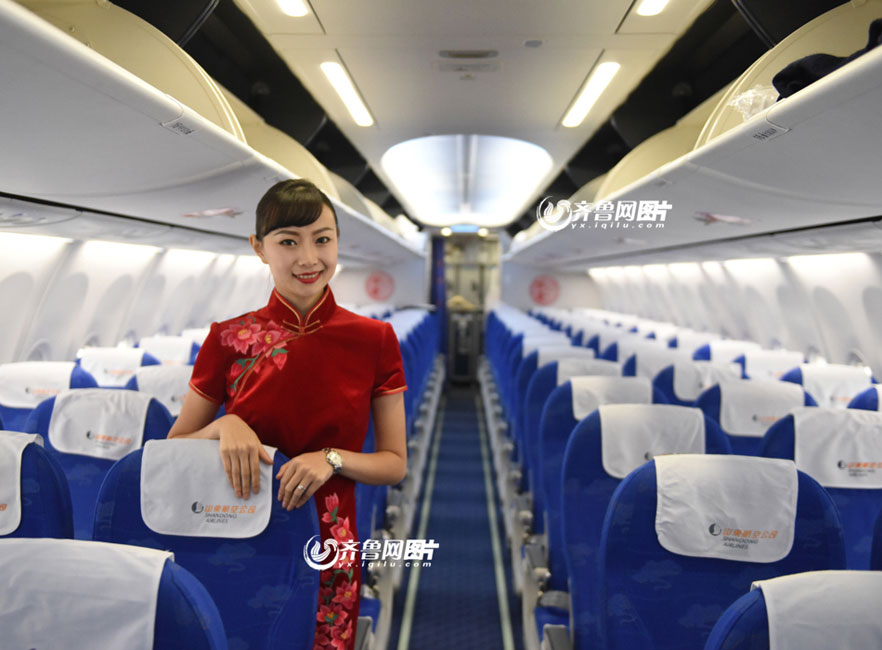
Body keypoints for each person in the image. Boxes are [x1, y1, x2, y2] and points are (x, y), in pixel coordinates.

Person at [168, 178, 408, 650]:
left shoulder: (375, 340)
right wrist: (223, 424)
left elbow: (394, 463)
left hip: (329, 541)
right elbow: (171, 449)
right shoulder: (226, 339)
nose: (308, 259)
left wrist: (333, 458)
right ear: (259, 248)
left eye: (322, 240)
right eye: (288, 242)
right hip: (236, 533)